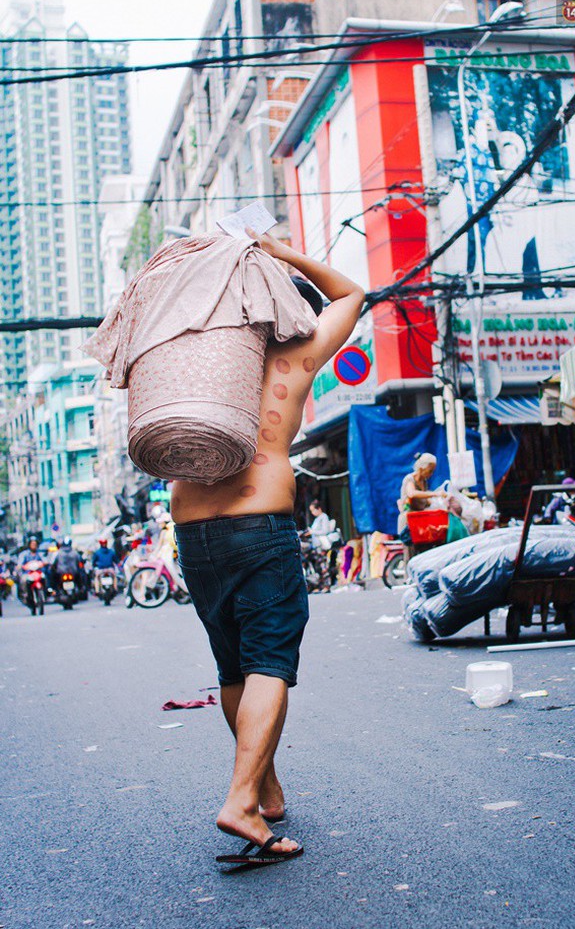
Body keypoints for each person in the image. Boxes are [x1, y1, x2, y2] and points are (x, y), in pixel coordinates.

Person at [170, 227, 365, 866]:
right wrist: (278, 254)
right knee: (270, 662)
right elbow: (351, 292)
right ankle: (242, 801)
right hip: (259, 522)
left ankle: (267, 787)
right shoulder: (293, 354)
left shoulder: (187, 352)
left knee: (234, 665)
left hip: (193, 528)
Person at [396, 453, 437, 560]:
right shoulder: (410, 479)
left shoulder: (424, 481)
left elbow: (424, 501)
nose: (431, 474)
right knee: (411, 555)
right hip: (408, 523)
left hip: (420, 522)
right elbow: (412, 493)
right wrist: (434, 494)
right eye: (430, 470)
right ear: (422, 468)